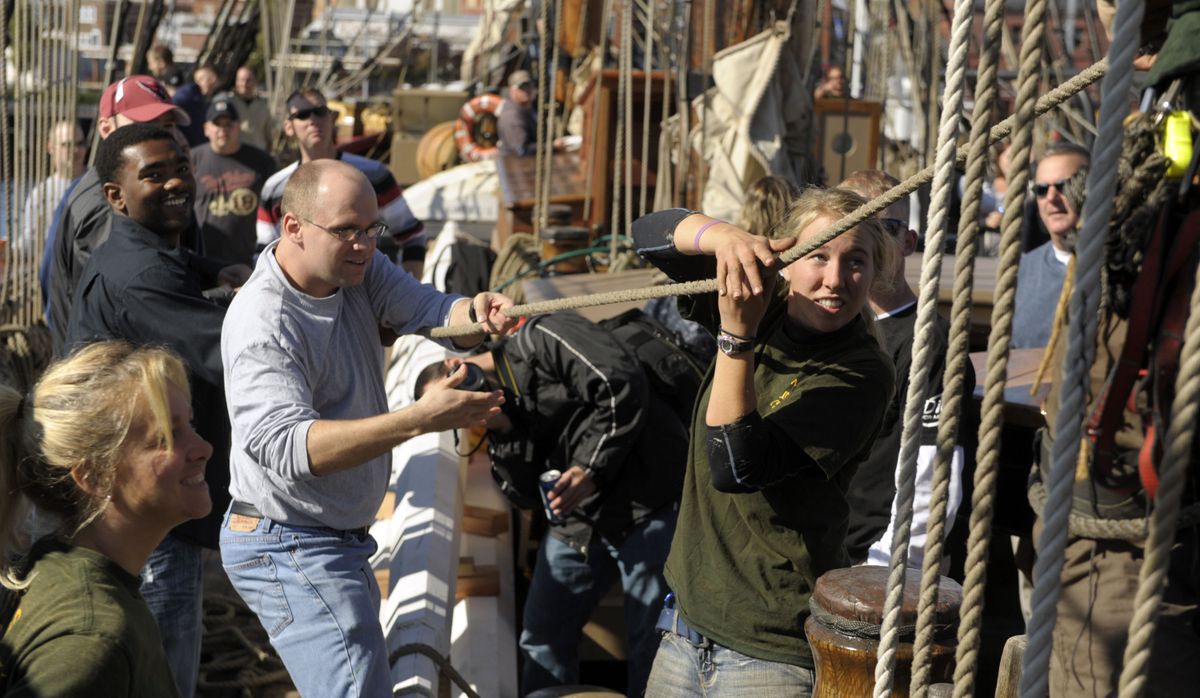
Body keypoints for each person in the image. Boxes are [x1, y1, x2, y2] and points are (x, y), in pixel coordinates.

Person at [219, 159, 519, 697]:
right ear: (293, 228)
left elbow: (425, 308)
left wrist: (473, 315)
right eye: (345, 232)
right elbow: (290, 448)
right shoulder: (264, 323)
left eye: (370, 229)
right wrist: (419, 419)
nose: (362, 244)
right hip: (289, 545)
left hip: (332, 539)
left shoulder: (356, 269)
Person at [632, 188, 895, 694]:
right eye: (818, 256)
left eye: (855, 262)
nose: (835, 280)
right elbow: (650, 234)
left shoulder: (862, 372)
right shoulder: (764, 302)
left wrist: (736, 337)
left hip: (767, 650)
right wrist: (724, 237)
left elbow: (736, 465)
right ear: (787, 259)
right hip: (686, 624)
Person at [414, 311, 690, 695]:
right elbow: (522, 494)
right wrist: (504, 430)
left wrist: (588, 469)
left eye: (453, 406)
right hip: (580, 522)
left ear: (456, 367)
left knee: (653, 642)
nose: (462, 418)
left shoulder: (542, 337)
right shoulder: (495, 414)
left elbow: (620, 384)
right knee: (542, 636)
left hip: (647, 502)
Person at [66, 122, 247, 698]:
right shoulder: (142, 278)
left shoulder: (137, 255)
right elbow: (232, 355)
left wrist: (215, 275)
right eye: (154, 174)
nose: (176, 182)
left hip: (136, 497)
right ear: (115, 196)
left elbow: (175, 270)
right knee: (166, 669)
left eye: (181, 168)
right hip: (151, 509)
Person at [0, 341, 212, 697]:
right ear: (94, 476)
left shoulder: (60, 566)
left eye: (189, 425)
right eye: (167, 436)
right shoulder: (93, 641)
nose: (204, 448)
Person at [837, 170, 972, 569]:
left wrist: (879, 574)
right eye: (857, 228)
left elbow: (933, 480)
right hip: (824, 550)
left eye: (886, 228)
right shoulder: (835, 326)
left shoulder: (928, 341)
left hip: (872, 564)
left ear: (909, 242)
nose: (872, 243)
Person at [46, 74, 192, 352]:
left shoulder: (132, 190)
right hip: (109, 380)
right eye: (145, 126)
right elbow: (135, 292)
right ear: (105, 128)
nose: (159, 137)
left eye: (167, 126)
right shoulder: (103, 204)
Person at [256, 88, 427, 277]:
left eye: (320, 112)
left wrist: (406, 292)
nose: (313, 120)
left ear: (332, 118)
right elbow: (265, 253)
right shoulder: (275, 189)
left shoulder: (375, 175)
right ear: (289, 127)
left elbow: (413, 235)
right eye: (302, 115)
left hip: (366, 297)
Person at [1011, 143, 1090, 348]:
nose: (1051, 198)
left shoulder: (1117, 269)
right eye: (1042, 190)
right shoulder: (1020, 271)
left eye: (1064, 186)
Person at [191, 98, 277, 266]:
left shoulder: (262, 161)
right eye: (217, 124)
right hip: (203, 260)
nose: (223, 130)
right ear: (206, 129)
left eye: (229, 124)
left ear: (238, 127)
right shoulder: (192, 160)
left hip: (250, 259)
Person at [20, 119, 86, 245]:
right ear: (50, 147)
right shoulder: (39, 194)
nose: (76, 150)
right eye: (67, 144)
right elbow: (30, 241)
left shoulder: (99, 184)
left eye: (80, 143)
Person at [216, 66, 275, 151]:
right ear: (236, 81)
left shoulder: (263, 106)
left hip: (258, 155)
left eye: (248, 80)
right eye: (241, 80)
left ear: (255, 82)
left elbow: (269, 135)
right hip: (235, 155)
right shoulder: (228, 103)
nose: (244, 84)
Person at [173, 64, 221, 147]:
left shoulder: (207, 100)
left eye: (201, 79)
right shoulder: (188, 96)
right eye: (197, 80)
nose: (198, 83)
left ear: (213, 78)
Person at [498, 69, 537, 157]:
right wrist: (552, 146)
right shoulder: (511, 116)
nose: (527, 90)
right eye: (522, 87)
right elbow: (521, 150)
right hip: (518, 167)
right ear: (511, 90)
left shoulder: (527, 109)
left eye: (529, 86)